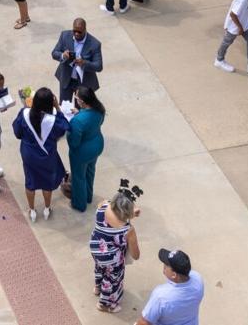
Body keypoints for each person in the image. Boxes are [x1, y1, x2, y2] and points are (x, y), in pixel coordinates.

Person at [14, 87, 69, 221]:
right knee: (46, 182)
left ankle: (32, 210)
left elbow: (17, 132)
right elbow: (65, 127)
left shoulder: (24, 114)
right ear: (50, 103)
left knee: (30, 180)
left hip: (29, 154)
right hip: (47, 156)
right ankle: (46, 208)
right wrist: (58, 107)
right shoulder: (53, 121)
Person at [89, 182, 142, 313]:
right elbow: (136, 255)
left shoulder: (102, 206)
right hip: (112, 259)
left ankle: (97, 287)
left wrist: (128, 212)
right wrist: (130, 215)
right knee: (112, 279)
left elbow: (113, 209)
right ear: (127, 211)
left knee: (99, 267)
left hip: (96, 248)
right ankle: (105, 304)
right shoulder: (128, 230)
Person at [139, 248, 205, 325]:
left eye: (166, 266)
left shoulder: (161, 296)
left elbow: (144, 322)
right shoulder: (198, 280)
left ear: (174, 275)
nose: (164, 266)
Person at [66, 86, 106, 212]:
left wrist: (69, 129)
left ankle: (79, 204)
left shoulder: (77, 121)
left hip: (82, 152)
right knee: (90, 171)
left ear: (82, 101)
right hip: (97, 145)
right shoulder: (99, 109)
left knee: (78, 177)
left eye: (76, 97)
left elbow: (74, 143)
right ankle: (88, 196)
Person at [52, 17, 103, 102]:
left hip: (83, 83)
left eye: (79, 32)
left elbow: (99, 66)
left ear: (85, 30)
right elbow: (54, 53)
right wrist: (62, 55)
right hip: (66, 79)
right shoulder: (65, 36)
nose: (76, 34)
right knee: (64, 107)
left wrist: (84, 63)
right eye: (74, 31)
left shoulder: (95, 44)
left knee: (80, 111)